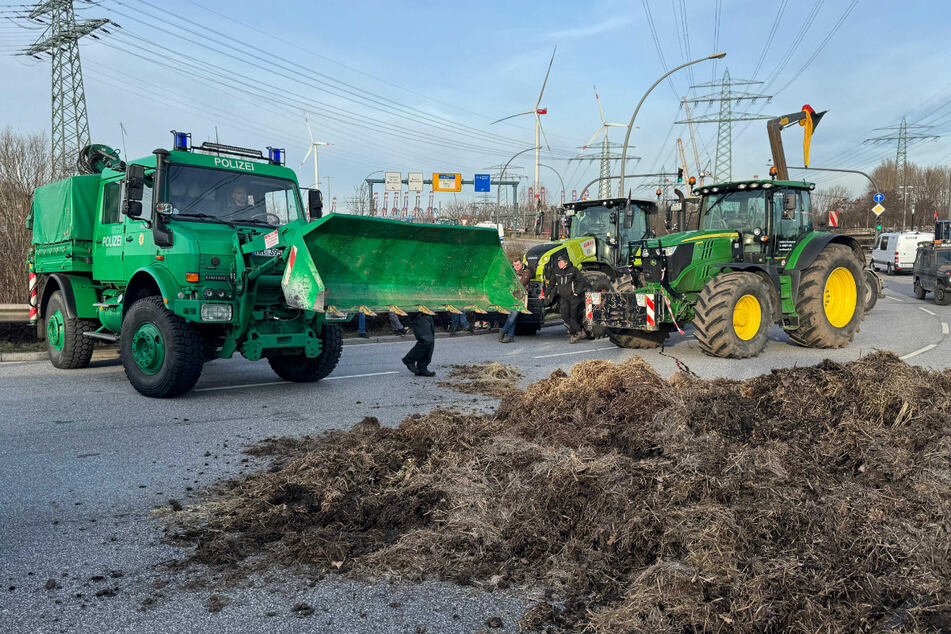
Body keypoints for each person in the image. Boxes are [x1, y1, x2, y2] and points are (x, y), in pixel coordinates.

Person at [551, 252, 588, 343]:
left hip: (573, 297)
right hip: (563, 297)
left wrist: (577, 292)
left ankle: (575, 334)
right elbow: (551, 283)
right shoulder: (556, 271)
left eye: (561, 262)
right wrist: (544, 294)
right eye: (558, 263)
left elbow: (582, 281)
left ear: (566, 263)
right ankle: (580, 332)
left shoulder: (573, 270)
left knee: (573, 316)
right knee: (565, 316)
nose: (559, 264)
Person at [499, 259, 532, 343]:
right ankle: (510, 336)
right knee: (511, 315)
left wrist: (511, 285)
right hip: (512, 295)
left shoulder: (526, 271)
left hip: (521, 296)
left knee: (514, 313)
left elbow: (521, 284)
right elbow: (506, 282)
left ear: (521, 264)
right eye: (514, 265)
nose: (516, 267)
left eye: (518, 265)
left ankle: (503, 330)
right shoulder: (512, 271)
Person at [402, 312, 436, 377]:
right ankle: (409, 359)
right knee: (426, 340)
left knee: (430, 341)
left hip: (427, 312)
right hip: (417, 313)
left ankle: (422, 366)